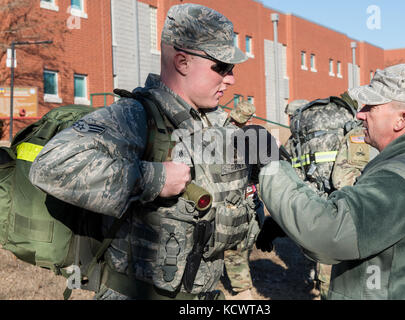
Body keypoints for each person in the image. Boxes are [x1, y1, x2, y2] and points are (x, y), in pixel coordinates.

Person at [29, 3, 253, 300]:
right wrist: (155, 178)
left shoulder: (211, 124)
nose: (231, 78)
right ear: (183, 62)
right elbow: (51, 166)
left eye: (232, 69)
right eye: (221, 67)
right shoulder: (135, 116)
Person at [258, 63, 405, 299]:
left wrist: (270, 163)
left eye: (371, 106)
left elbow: (327, 234)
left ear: (401, 120)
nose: (360, 114)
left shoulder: (399, 178)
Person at [222, 100, 261, 299]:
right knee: (240, 242)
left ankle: (242, 287)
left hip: (228, 197)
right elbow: (256, 169)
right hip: (243, 196)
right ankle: (243, 290)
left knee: (233, 244)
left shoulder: (218, 133)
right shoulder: (249, 137)